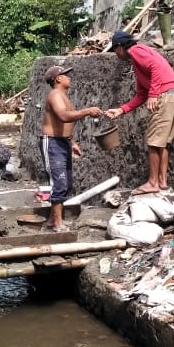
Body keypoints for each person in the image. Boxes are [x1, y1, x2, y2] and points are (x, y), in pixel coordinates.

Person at [104, 30, 174, 195]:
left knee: (154, 142)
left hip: (165, 95)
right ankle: (162, 181)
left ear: (120, 47)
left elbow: (154, 68)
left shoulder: (136, 51)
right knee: (163, 142)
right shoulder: (140, 58)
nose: (116, 54)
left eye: (115, 50)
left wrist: (154, 94)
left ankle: (153, 182)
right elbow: (141, 94)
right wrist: (121, 110)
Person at [40, 65, 102, 231]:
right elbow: (63, 116)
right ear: (58, 79)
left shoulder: (63, 96)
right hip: (52, 142)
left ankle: (53, 220)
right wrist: (87, 111)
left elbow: (63, 124)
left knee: (66, 183)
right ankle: (58, 223)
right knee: (59, 182)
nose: (69, 77)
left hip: (63, 141)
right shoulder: (55, 95)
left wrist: (72, 142)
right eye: (66, 75)